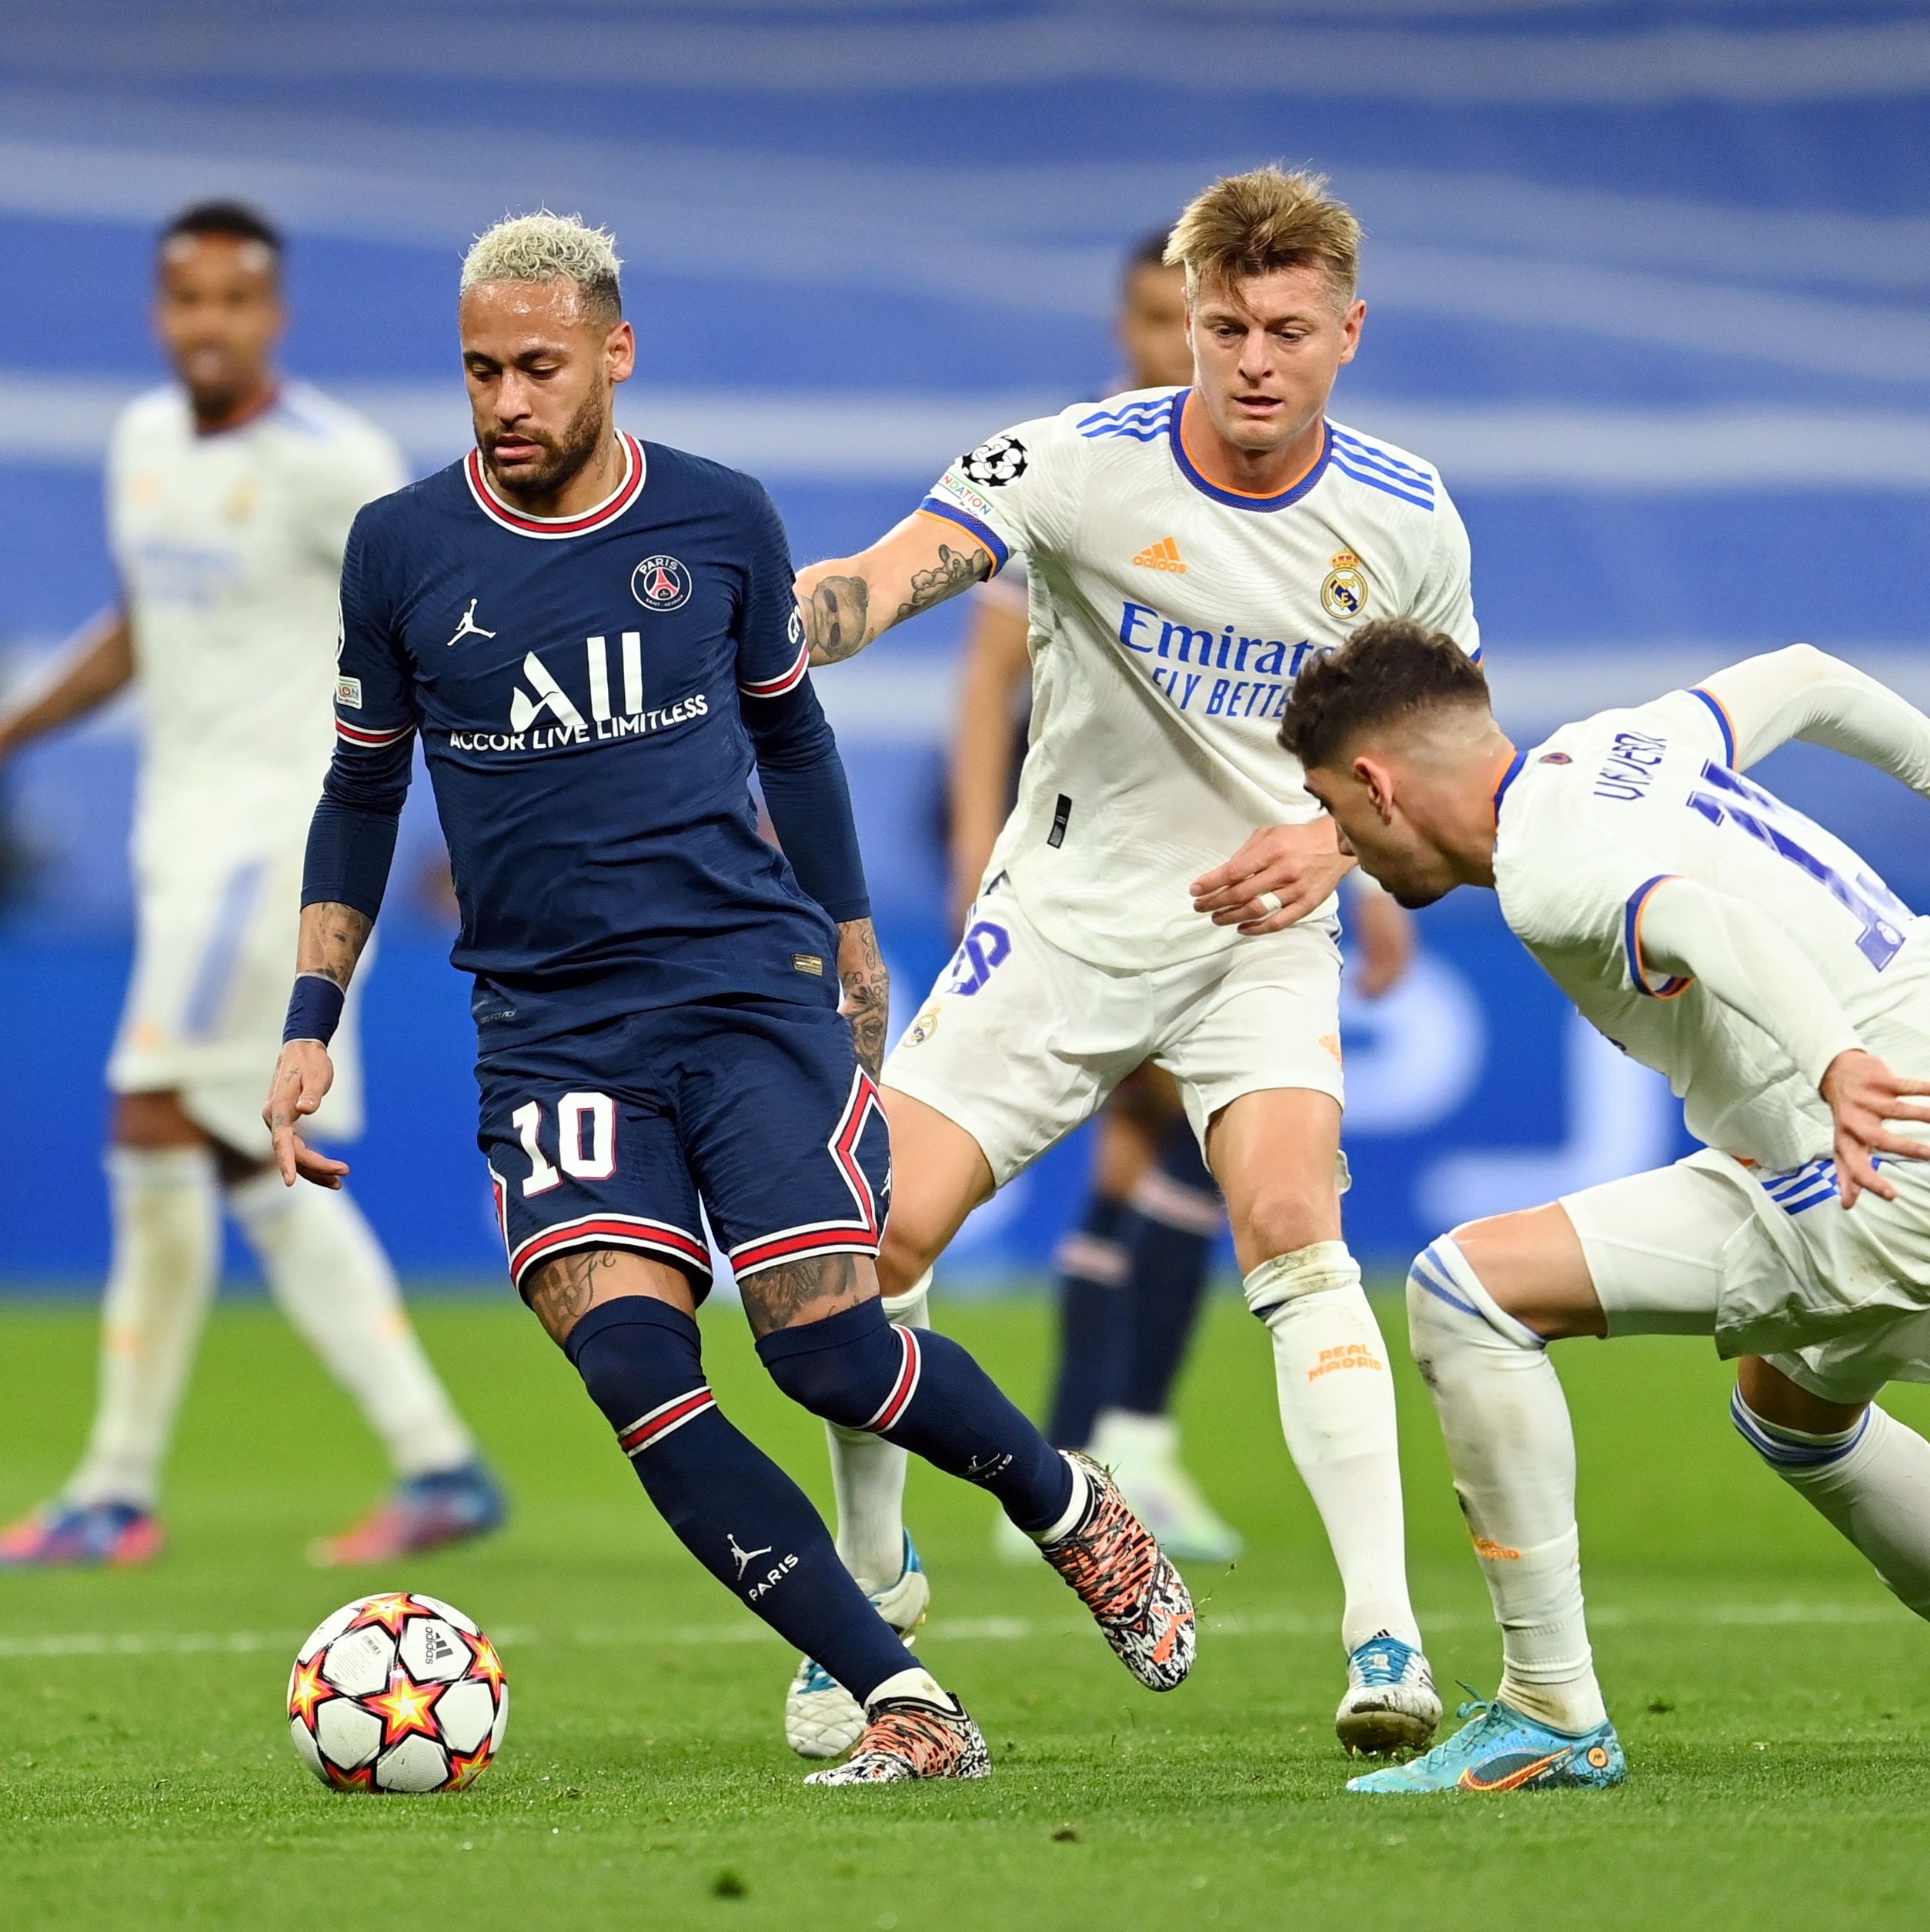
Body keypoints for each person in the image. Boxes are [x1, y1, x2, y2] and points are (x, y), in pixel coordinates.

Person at [265, 212, 1194, 1789]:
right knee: (634, 1364)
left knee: (823, 1351)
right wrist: (311, 1013)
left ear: (614, 354)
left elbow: (795, 741)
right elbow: (362, 790)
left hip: (742, 988)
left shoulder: (718, 518)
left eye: (541, 367)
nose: (508, 400)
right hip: (549, 1025)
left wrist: (849, 935)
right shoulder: (401, 547)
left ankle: (1064, 1500)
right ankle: (904, 1696)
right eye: (483, 369)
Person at [789, 165, 1481, 1762]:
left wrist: (1339, 846)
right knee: (867, 1239)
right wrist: (793, 617)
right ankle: (874, 1598)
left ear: (1348, 332)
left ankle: (1386, 1635)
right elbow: (894, 575)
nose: (1248, 359)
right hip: (1064, 921)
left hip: (1257, 937)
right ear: (1184, 318)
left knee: (1297, 1218)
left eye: (1286, 329)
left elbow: (1451, 767)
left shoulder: (1408, 517)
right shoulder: (1075, 466)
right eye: (1219, 324)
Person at [1284, 623, 1930, 1795]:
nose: (1342, 846)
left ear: (1378, 784)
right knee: (1794, 1403)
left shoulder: (1548, 867)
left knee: (1466, 1290)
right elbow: (1806, 677)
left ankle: (1549, 1709)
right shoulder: (1628, 742)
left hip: (1876, 1151)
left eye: (1335, 811)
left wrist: (1835, 1065)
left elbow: (1704, 923)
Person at [0, 200, 501, 1570]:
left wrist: (473, 826)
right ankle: (438, 1462)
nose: (207, 324)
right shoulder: (142, 446)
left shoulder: (332, 465)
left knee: (157, 1121)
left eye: (234, 301)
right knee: (247, 1163)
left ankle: (114, 1488)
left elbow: (443, 632)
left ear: (273, 316)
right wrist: (14, 729)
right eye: (185, 301)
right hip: (180, 846)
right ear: (160, 312)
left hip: (281, 850)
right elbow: (142, 629)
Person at [950, 233, 1417, 1573]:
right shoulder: (1089, 468)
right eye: (1176, 322)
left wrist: (1367, 873)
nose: (1197, 348)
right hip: (1087, 835)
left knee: (1151, 1158)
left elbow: (1359, 708)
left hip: (1247, 837)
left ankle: (1093, 1438)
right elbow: (988, 675)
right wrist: (979, 843)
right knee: (1170, 1147)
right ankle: (1108, 1441)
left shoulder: (1338, 508)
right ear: (1146, 326)